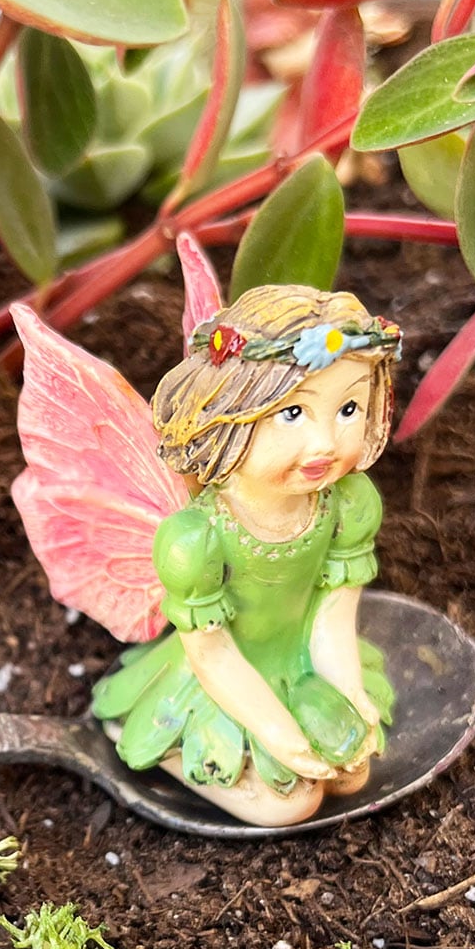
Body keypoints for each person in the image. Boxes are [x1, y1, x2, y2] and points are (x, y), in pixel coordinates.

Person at [91, 284, 400, 825]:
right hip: (217, 677)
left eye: (348, 408)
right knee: (292, 804)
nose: (326, 444)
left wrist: (347, 689)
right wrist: (277, 731)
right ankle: (165, 741)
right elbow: (211, 653)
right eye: (292, 413)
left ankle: (297, 739)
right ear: (231, 415)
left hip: (299, 663)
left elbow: (332, 615)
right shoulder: (197, 539)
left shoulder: (348, 502)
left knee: (353, 774)